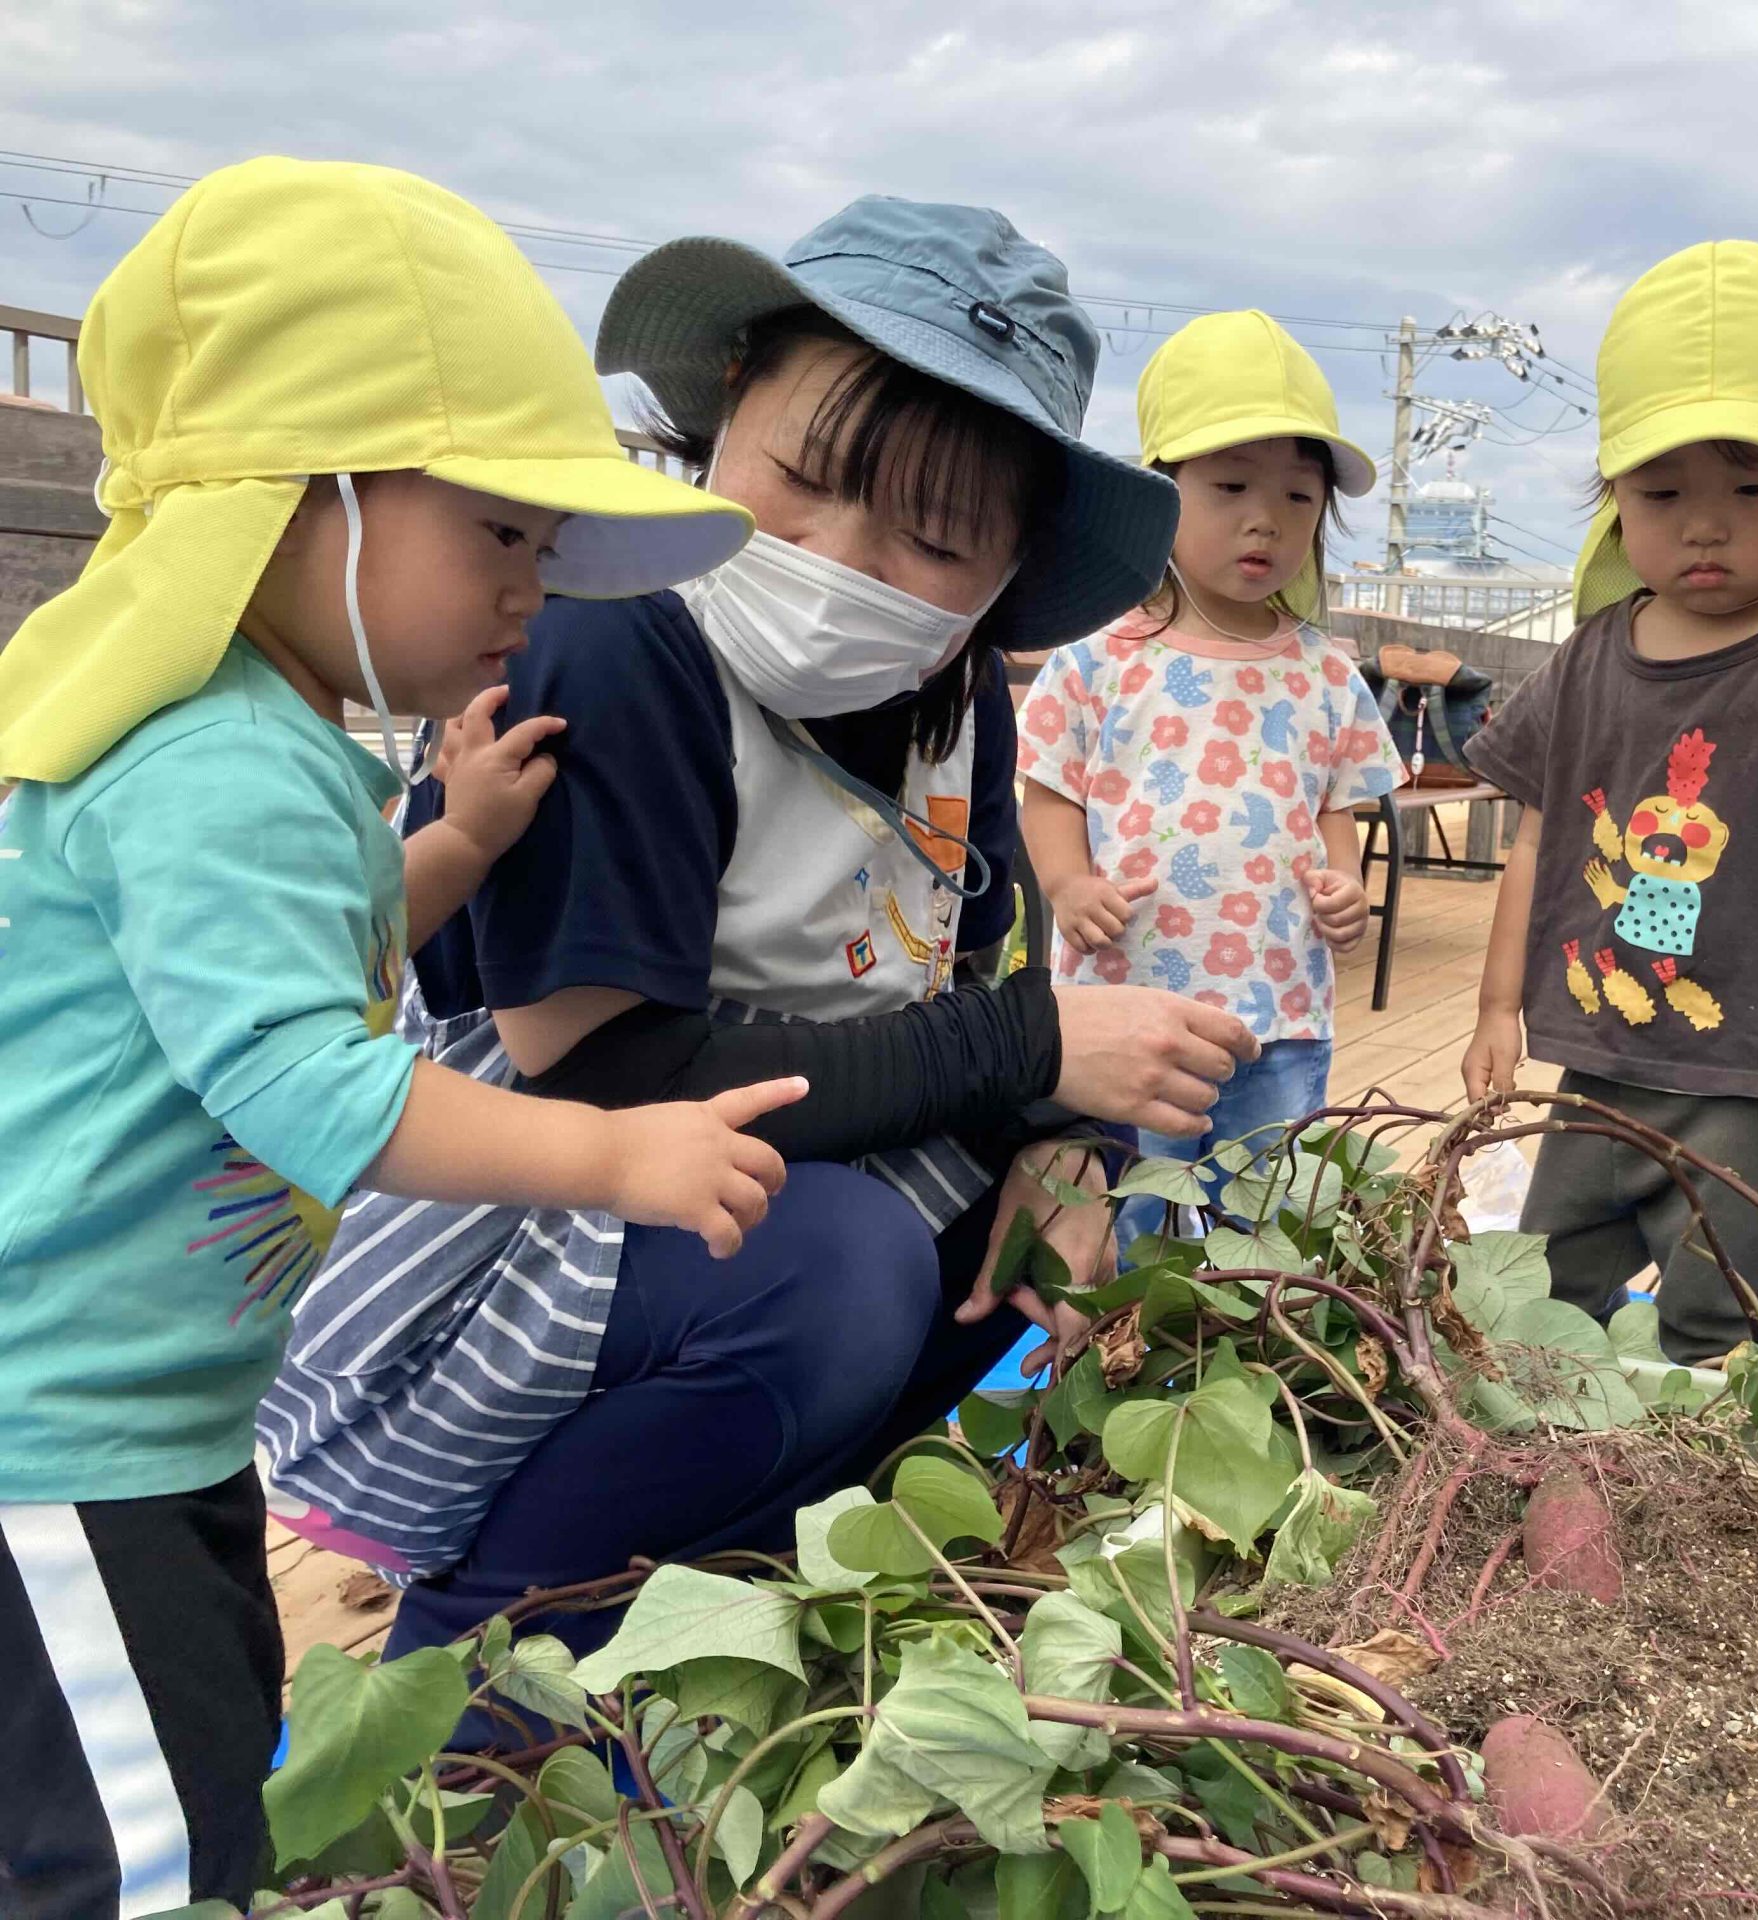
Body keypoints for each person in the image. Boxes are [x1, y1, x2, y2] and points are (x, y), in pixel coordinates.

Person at [257, 195, 1260, 1670]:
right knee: (844, 1266)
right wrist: (1041, 1043)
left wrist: (1066, 1133)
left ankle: (739, 1567)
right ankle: (492, 1655)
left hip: (734, 1183)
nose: (845, 561)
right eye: (803, 480)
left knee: (1038, 1228)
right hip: (512, 1207)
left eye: (929, 538)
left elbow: (993, 968)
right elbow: (602, 1071)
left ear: (1008, 572)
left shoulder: (961, 699)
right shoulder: (614, 637)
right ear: (728, 403)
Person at [0, 160, 800, 1920]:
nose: (534, 585)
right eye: (498, 531)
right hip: (64, 1448)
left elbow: (280, 977)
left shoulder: (252, 735)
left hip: (156, 1425)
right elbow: (304, 1077)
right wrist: (612, 1152)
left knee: (184, 1774)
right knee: (135, 1862)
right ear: (308, 495)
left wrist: (449, 851)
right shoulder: (220, 761)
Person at [1457, 242, 1758, 1365]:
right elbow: (1534, 843)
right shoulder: (1588, 658)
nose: (1705, 525)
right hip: (1596, 1048)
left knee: (1713, 1313)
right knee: (1547, 1295)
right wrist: (1497, 1007)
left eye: (1751, 488)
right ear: (1614, 493)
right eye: (1662, 491)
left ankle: (1708, 1488)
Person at [1016, 310, 1400, 1225]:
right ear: (1158, 494)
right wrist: (1068, 884)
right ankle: (1126, 1344)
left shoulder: (1326, 672)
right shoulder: (1100, 658)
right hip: (1125, 1003)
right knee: (1129, 1218)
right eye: (1230, 486)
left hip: (1279, 1003)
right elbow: (1049, 787)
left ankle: (1249, 1352)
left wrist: (1344, 882)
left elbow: (1334, 808)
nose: (1265, 519)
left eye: (1300, 499)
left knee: (1263, 1221)